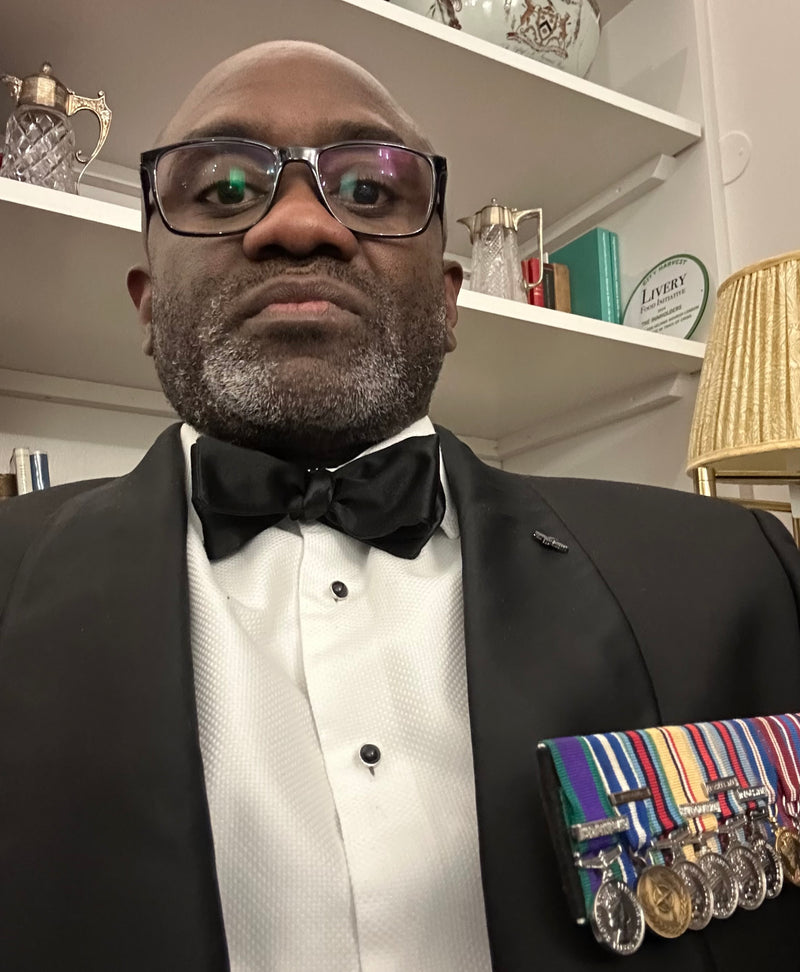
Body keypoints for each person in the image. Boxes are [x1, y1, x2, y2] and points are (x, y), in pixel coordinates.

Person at [0, 40, 799, 972]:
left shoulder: (734, 576)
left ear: (451, 300)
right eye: (222, 189)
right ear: (144, 308)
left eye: (371, 191)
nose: (298, 225)